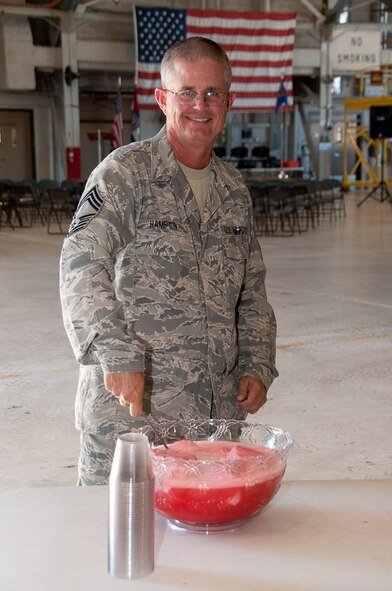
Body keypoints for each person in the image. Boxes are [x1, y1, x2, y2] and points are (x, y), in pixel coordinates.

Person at [60, 36, 278, 486]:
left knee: (202, 542)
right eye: (187, 93)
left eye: (212, 93)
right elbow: (81, 261)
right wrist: (114, 352)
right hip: (133, 419)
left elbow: (251, 291)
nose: (201, 105)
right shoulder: (126, 173)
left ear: (228, 101)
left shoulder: (233, 190)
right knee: (114, 541)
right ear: (163, 99)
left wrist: (257, 362)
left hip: (211, 423)